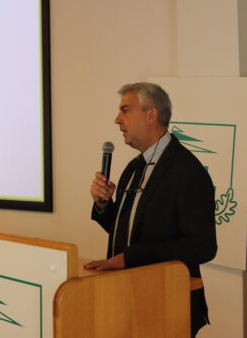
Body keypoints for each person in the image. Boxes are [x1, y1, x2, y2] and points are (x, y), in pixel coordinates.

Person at [86, 82, 217, 336]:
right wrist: (103, 206)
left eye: (125, 110)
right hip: (128, 297)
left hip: (166, 305)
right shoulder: (134, 167)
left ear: (151, 115)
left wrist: (131, 258)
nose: (117, 119)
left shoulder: (187, 171)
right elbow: (129, 229)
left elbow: (203, 246)